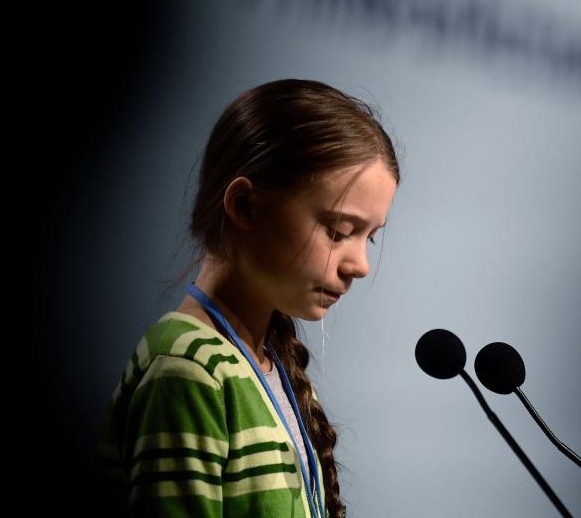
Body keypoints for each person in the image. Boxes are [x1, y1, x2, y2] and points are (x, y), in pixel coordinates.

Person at [97, 79, 401, 517]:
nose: (360, 264)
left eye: (369, 238)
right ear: (244, 206)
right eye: (338, 231)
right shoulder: (189, 370)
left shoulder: (267, 367)